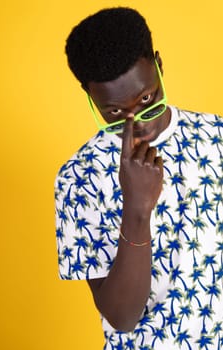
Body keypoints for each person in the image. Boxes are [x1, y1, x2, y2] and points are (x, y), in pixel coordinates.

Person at [55, 7, 223, 349]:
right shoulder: (78, 177)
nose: (138, 124)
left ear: (159, 66)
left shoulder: (217, 137)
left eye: (147, 99)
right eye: (114, 113)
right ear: (90, 96)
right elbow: (122, 316)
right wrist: (137, 206)